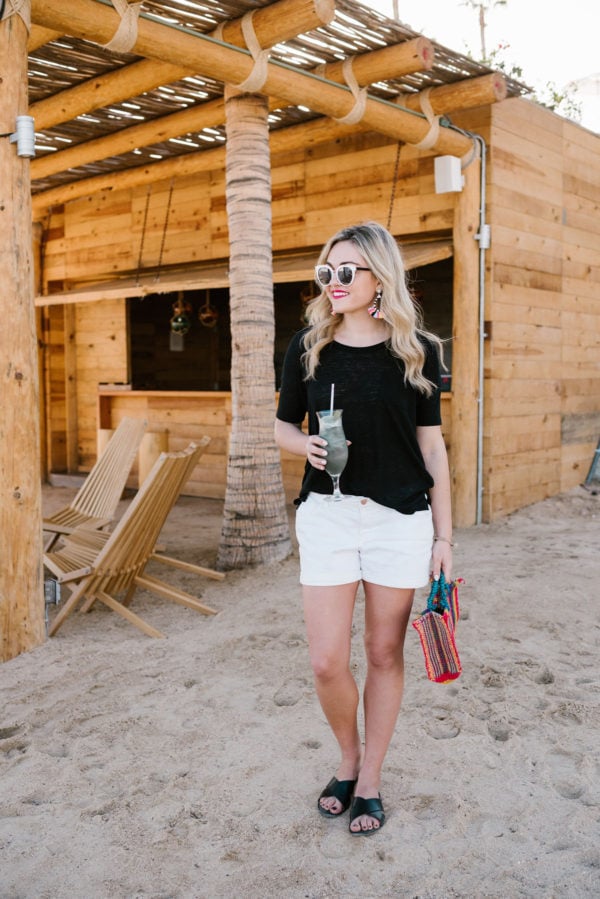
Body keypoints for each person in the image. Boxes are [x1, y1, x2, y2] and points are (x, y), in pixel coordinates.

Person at [274, 221, 453, 836]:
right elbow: (280, 426)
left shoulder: (419, 350)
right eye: (326, 272)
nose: (334, 282)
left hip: (400, 518)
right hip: (327, 514)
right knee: (326, 660)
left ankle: (369, 776)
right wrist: (304, 444)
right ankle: (346, 756)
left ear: (380, 275)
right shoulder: (307, 346)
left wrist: (445, 540)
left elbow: (434, 453)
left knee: (383, 652)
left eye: (346, 271)